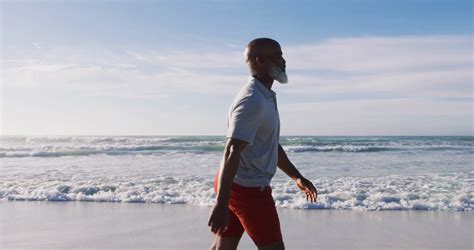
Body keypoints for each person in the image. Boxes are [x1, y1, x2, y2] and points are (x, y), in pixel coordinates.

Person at [208, 38, 318, 250]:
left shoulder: (264, 96)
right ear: (259, 61)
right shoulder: (252, 100)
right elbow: (232, 150)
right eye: (277, 56)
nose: (283, 61)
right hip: (246, 190)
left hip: (235, 185)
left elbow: (270, 145)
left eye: (282, 55)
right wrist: (221, 204)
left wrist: (297, 177)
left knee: (224, 246)